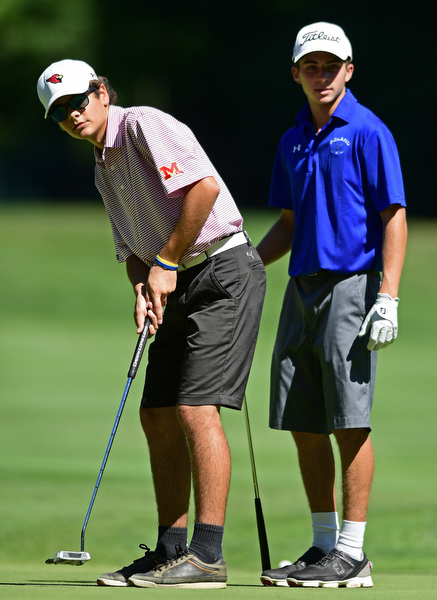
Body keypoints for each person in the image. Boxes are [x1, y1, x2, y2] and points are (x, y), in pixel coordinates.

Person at [37, 59, 266, 589]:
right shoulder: (102, 166)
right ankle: (170, 552)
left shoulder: (142, 124)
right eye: (60, 113)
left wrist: (164, 264)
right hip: (174, 279)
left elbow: (203, 190)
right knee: (157, 413)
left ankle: (207, 556)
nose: (72, 116)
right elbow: (130, 248)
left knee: (194, 407)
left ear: (100, 92)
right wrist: (143, 285)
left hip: (222, 269)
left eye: (77, 102)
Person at [256, 22, 407, 588]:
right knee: (303, 420)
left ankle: (353, 552)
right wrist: (248, 263)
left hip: (352, 285)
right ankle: (323, 547)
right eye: (311, 66)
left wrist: (387, 296)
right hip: (302, 288)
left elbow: (393, 215)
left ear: (349, 70)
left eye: (331, 65)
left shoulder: (369, 131)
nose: (321, 75)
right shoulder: (293, 139)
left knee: (349, 419)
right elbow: (290, 224)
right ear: (296, 73)